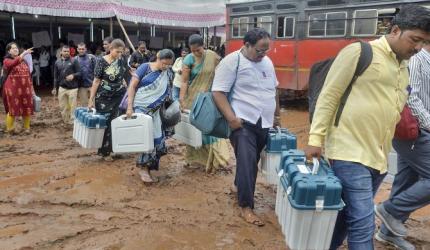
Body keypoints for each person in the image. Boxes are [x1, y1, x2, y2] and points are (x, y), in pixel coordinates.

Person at [304, 5, 430, 250]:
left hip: (378, 157)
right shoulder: (360, 52)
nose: (417, 48)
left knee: (344, 217)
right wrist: (315, 139)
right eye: (415, 39)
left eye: (423, 42)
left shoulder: (403, 65)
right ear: (395, 30)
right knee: (363, 224)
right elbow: (329, 96)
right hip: (348, 152)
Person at [212, 28, 280, 226]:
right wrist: (232, 119)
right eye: (259, 50)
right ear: (247, 45)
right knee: (248, 162)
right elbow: (218, 92)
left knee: (252, 160)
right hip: (243, 123)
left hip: (264, 122)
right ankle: (246, 207)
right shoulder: (232, 62)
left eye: (266, 50)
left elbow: (274, 89)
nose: (263, 54)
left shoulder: (267, 62)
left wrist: (276, 115)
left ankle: (238, 185)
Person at [375, 43, 430, 250]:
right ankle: (390, 209)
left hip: (417, 131)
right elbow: (411, 96)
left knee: (407, 181)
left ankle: (387, 233)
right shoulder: (417, 61)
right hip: (414, 130)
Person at [179, 34, 230, 173]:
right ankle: (195, 160)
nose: (196, 53)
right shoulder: (188, 59)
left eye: (198, 50)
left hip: (209, 100)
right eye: (193, 50)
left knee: (211, 127)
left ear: (203, 46)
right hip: (193, 100)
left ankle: (217, 160)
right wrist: (181, 99)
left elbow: (223, 71)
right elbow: (184, 82)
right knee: (196, 130)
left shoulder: (212, 56)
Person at [126, 49, 175, 183]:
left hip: (157, 110)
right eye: (164, 63)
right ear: (158, 58)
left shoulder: (169, 72)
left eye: (169, 65)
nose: (165, 67)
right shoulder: (144, 67)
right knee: (146, 138)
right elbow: (132, 87)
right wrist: (130, 107)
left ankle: (150, 165)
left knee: (156, 138)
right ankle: (143, 168)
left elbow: (169, 91)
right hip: (141, 107)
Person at [88, 39, 128, 161]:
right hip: (104, 97)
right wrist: (91, 99)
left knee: (117, 123)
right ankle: (105, 152)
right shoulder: (101, 61)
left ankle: (115, 149)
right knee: (106, 124)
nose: (119, 54)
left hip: (119, 97)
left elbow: (123, 76)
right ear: (111, 49)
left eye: (122, 52)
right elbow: (96, 81)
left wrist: (125, 86)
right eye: (117, 52)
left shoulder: (121, 60)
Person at [2, 43, 35, 135]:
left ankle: (27, 128)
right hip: (12, 89)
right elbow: (13, 63)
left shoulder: (24, 61)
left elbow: (29, 76)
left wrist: (32, 89)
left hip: (25, 89)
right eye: (13, 48)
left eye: (16, 48)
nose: (15, 49)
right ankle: (10, 129)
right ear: (9, 51)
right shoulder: (6, 60)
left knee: (26, 108)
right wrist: (24, 53)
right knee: (13, 109)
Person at [52, 45, 81, 125]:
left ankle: (73, 121)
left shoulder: (74, 61)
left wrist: (73, 75)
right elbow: (55, 76)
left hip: (73, 88)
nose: (66, 53)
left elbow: (80, 73)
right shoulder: (57, 62)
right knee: (63, 106)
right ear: (61, 52)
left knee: (72, 106)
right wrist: (54, 88)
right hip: (62, 88)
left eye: (67, 51)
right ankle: (66, 121)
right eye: (64, 51)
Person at [75, 42, 96, 107]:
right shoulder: (75, 59)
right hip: (81, 86)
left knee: (94, 104)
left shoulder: (92, 57)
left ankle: (94, 117)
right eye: (80, 49)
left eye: (83, 49)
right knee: (84, 105)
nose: (81, 50)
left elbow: (97, 70)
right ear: (77, 49)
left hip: (92, 85)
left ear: (86, 49)